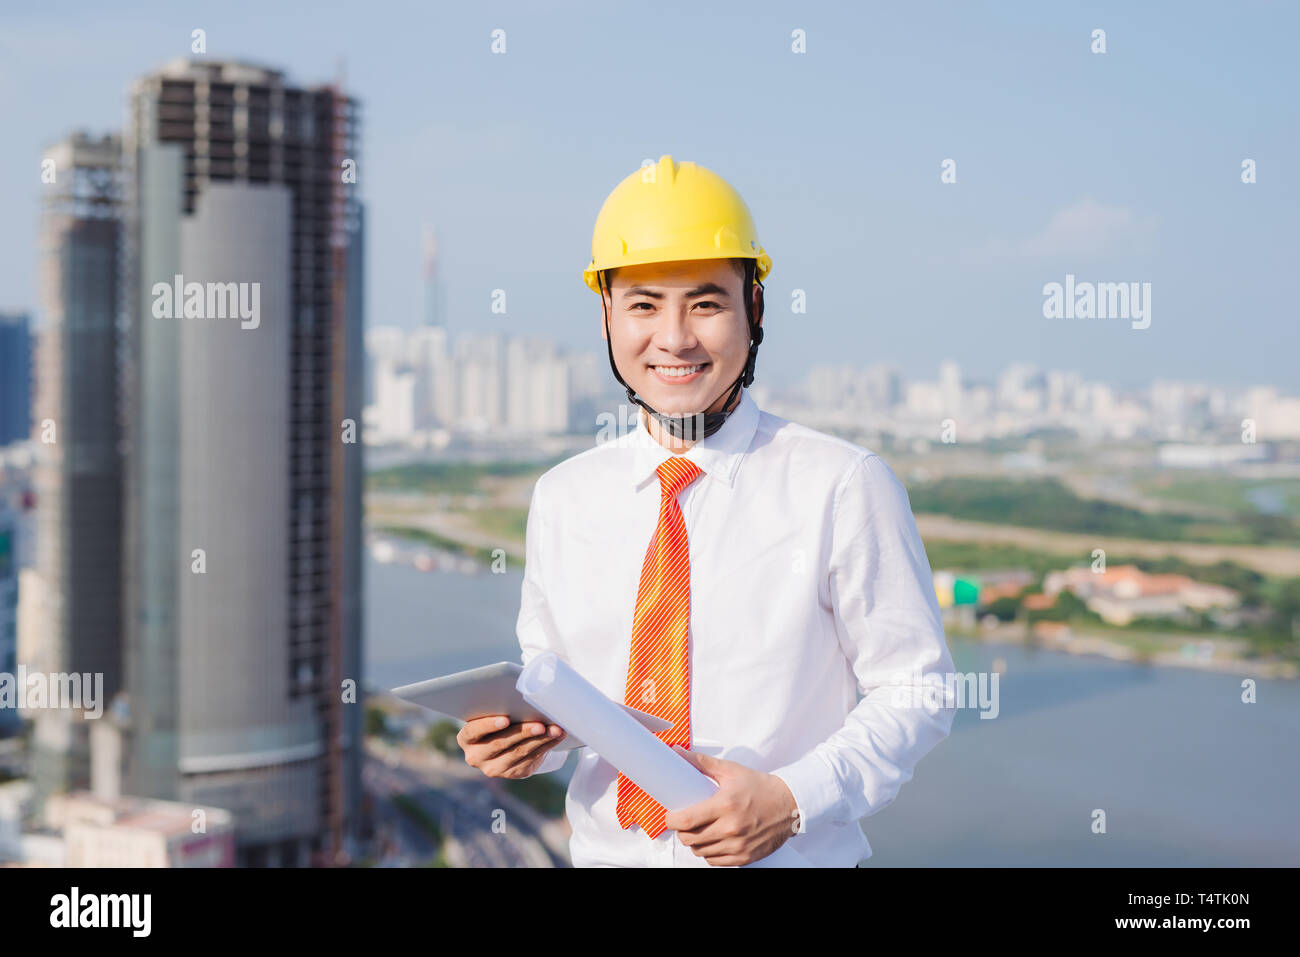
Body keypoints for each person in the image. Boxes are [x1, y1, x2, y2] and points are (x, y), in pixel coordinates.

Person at [459, 154, 956, 867]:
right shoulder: (563, 497)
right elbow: (563, 691)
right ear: (606, 314)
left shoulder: (842, 484)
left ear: (754, 307)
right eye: (643, 304)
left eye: (706, 302)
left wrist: (791, 799)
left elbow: (917, 689)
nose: (674, 337)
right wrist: (525, 739)